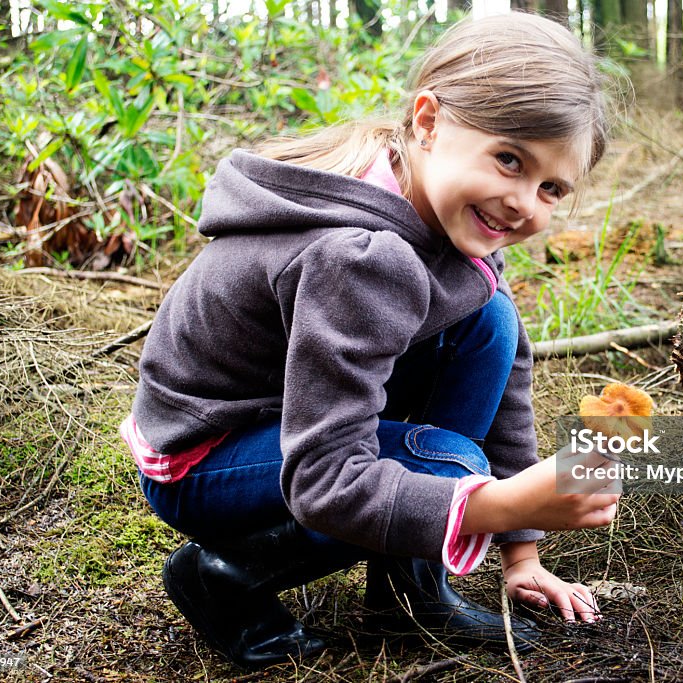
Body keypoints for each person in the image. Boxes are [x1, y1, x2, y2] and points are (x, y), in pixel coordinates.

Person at [120, 11, 621, 669]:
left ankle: (410, 587)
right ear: (429, 121)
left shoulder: (441, 209)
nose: (525, 203)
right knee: (452, 467)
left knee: (490, 320)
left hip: (287, 413)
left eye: (551, 187)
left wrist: (519, 549)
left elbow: (508, 373)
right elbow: (326, 476)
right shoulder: (359, 256)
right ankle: (226, 574)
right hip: (207, 454)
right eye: (509, 159)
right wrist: (492, 502)